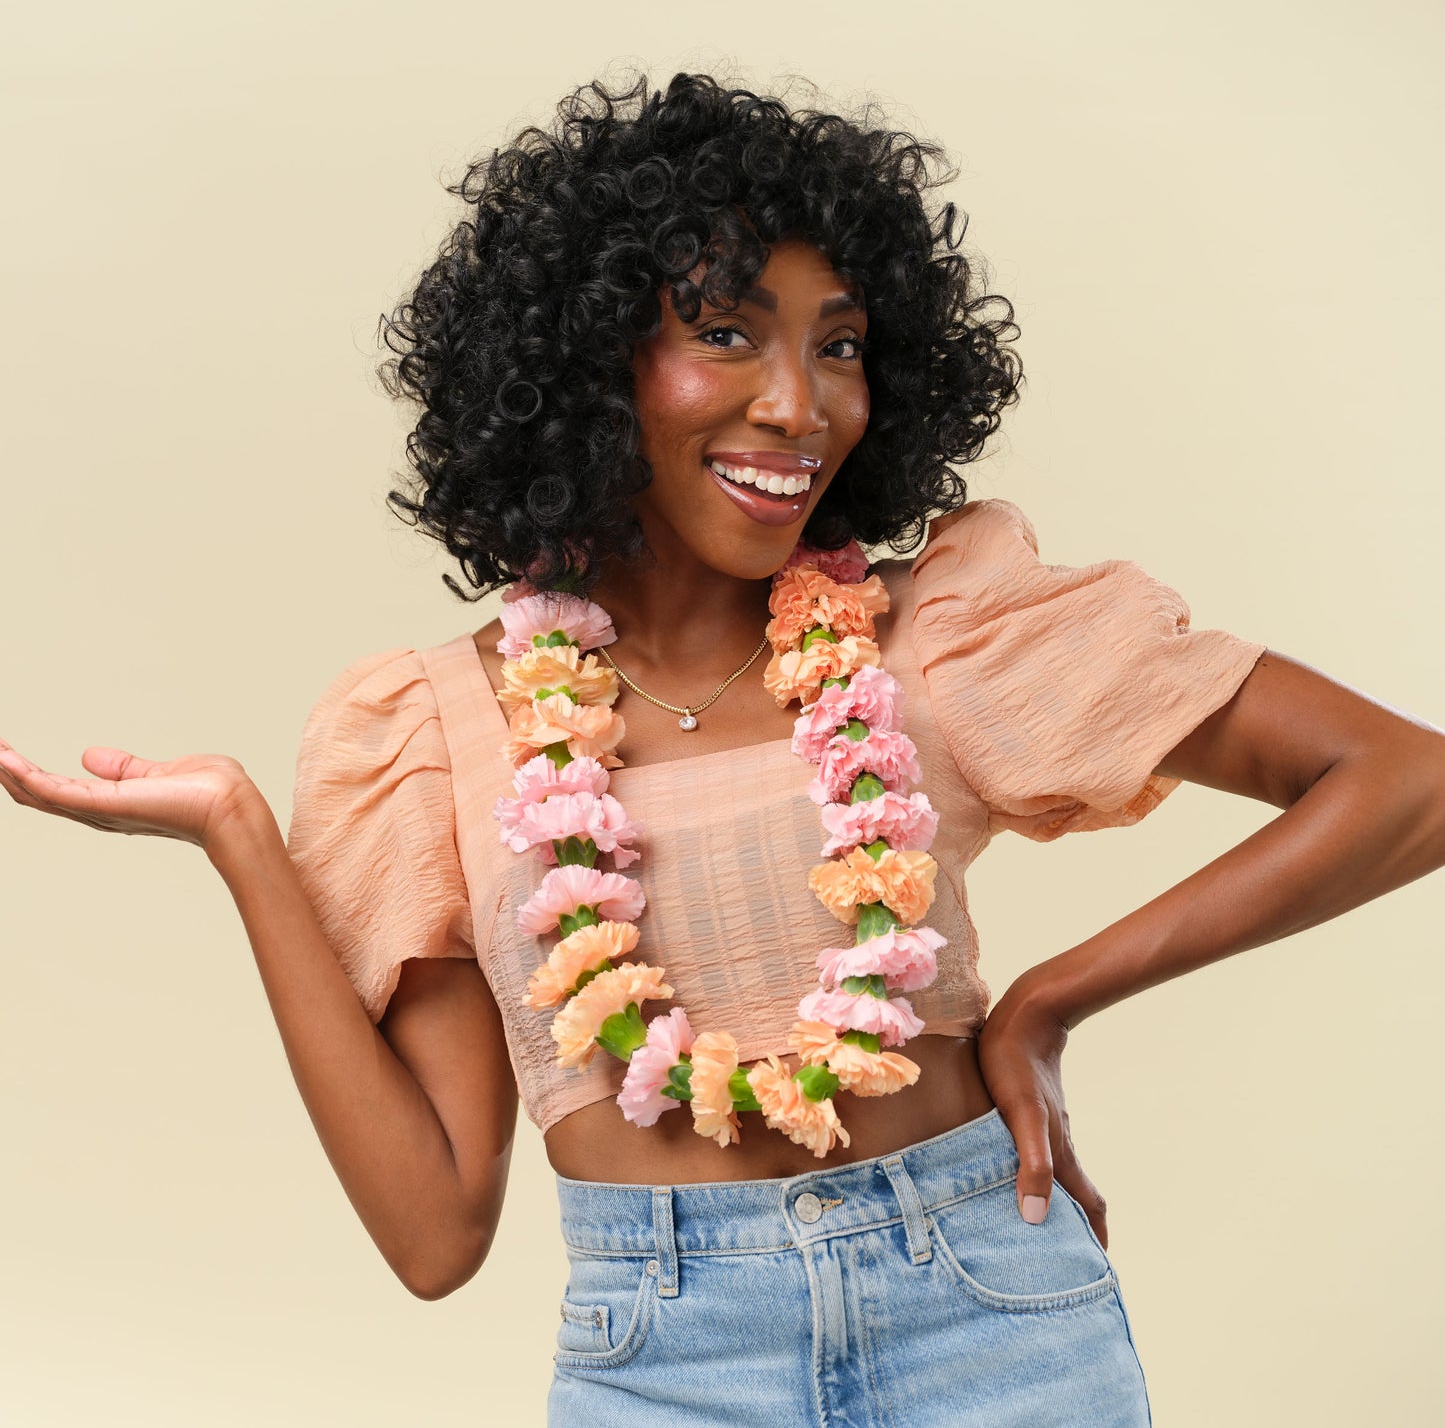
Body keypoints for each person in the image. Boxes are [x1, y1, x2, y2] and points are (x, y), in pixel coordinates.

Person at [2, 70, 1442, 1427]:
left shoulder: (929, 644)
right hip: (664, 1350)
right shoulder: (432, 732)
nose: (799, 404)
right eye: (726, 329)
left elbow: (1407, 779)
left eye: (840, 345)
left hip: (994, 1314)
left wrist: (1046, 1001)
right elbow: (434, 1228)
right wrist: (238, 833)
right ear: (583, 361)